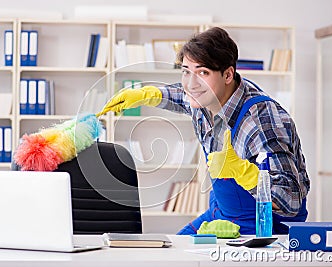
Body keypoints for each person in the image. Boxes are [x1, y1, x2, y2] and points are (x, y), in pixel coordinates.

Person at [97, 27, 310, 235]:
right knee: (172, 255)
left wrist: (244, 172)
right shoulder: (205, 98)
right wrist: (148, 94)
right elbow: (182, 96)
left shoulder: (259, 120)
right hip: (222, 214)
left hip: (264, 228)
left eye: (203, 72)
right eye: (186, 72)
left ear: (228, 74)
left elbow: (290, 200)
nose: (191, 84)